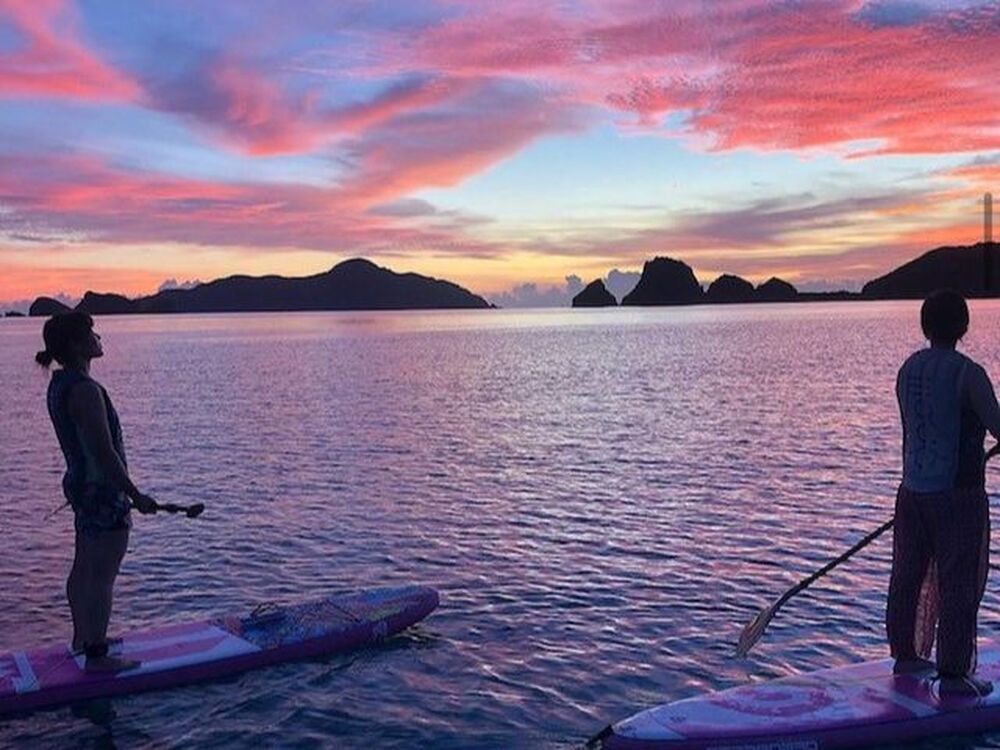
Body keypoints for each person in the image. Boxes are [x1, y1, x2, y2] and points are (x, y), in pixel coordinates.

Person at [887, 289, 1000, 697]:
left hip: (912, 493)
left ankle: (906, 654)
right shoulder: (968, 373)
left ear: (925, 326)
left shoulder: (907, 369)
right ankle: (953, 675)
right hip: (956, 496)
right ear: (963, 327)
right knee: (957, 582)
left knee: (907, 577)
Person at [36, 312, 158, 673]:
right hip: (102, 491)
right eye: (91, 333)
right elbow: (104, 454)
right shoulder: (86, 392)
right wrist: (135, 495)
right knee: (102, 575)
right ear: (76, 345)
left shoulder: (60, 385)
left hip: (80, 487)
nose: (98, 337)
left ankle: (84, 639)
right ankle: (97, 656)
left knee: (85, 566)